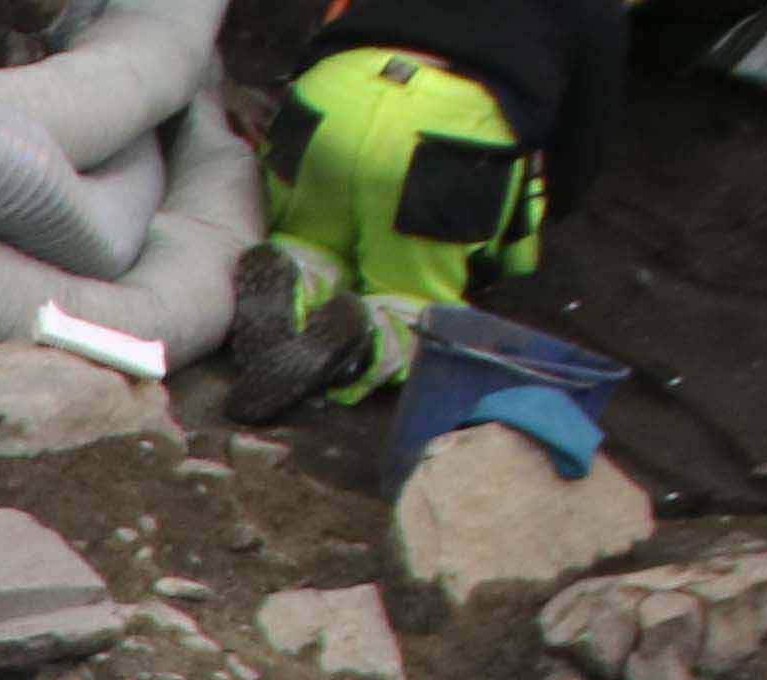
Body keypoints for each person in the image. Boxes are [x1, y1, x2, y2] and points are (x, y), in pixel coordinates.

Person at [225, 0, 633, 421]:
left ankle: (293, 275)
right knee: (416, 298)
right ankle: (366, 336)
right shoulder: (596, 11)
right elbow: (581, 147)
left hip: (332, 95)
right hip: (448, 133)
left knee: (310, 235)